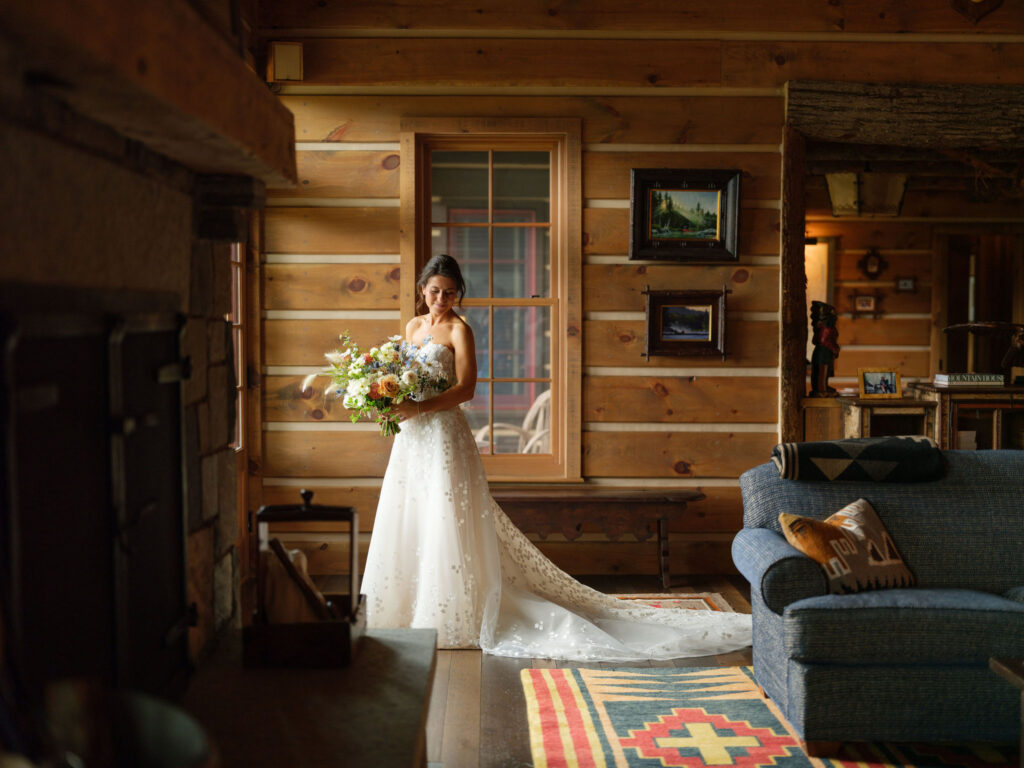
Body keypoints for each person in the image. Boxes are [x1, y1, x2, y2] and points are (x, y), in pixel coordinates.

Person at [360, 254, 751, 661]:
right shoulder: (412, 327)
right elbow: (403, 375)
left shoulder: (460, 330)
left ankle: (451, 612)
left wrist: (420, 409)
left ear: (459, 294)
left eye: (450, 292)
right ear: (422, 290)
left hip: (441, 433)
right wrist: (393, 401)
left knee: (445, 515)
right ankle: (404, 608)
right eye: (435, 291)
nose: (442, 299)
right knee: (410, 510)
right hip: (411, 436)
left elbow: (465, 389)